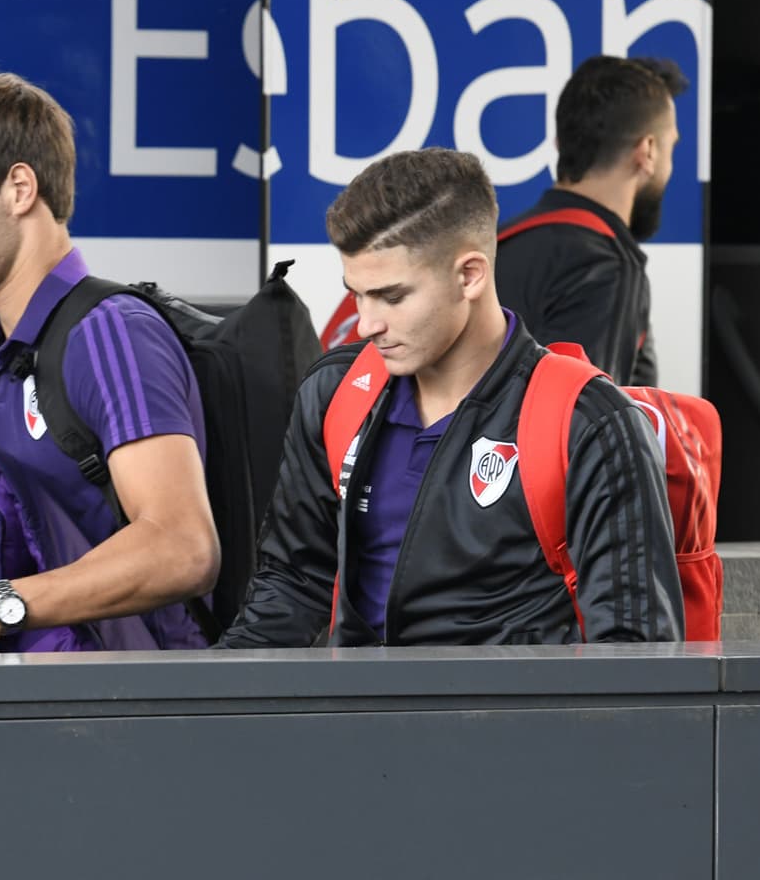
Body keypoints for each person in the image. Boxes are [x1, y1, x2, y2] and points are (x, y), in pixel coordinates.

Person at [216, 147, 683, 648]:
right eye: (357, 293)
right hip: (356, 720)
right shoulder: (334, 393)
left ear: (470, 275)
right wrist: (208, 709)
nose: (367, 323)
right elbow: (291, 586)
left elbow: (638, 660)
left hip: (513, 724)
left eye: (392, 296)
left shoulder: (590, 423)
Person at [0, 71, 219, 655]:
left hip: (140, 709)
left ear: (20, 188)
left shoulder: (111, 334)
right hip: (55, 699)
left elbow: (183, 547)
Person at [495, 55, 688, 386]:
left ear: (561, 143)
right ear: (648, 152)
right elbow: (584, 426)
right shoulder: (607, 266)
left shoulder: (495, 245)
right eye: (671, 146)